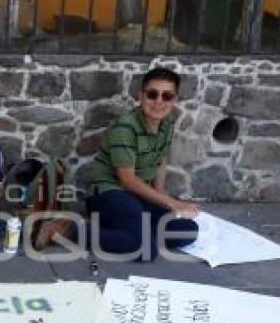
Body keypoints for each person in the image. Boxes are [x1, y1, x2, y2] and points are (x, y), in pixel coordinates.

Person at [36, 67, 199, 261]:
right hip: (109, 194)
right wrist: (173, 203)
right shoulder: (126, 127)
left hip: (136, 198)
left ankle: (119, 231)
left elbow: (161, 159)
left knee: (186, 230)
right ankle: (68, 230)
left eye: (167, 96)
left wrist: (161, 195)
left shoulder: (166, 124)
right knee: (145, 249)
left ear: (174, 100)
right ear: (141, 95)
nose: (158, 102)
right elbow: (127, 180)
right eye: (152, 94)